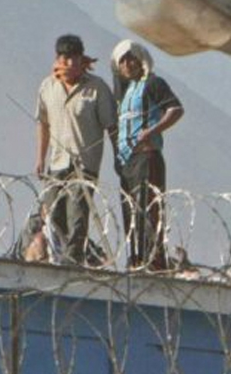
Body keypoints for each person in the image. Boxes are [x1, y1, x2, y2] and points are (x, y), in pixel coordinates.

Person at [35, 33, 117, 266]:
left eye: (75, 58)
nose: (70, 64)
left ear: (82, 60)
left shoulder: (96, 88)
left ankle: (72, 261)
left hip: (85, 163)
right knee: (53, 214)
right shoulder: (48, 87)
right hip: (57, 162)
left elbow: (111, 126)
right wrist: (40, 158)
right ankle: (55, 258)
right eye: (65, 57)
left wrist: (118, 157)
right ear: (58, 59)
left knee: (77, 215)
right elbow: (43, 124)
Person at [111, 40, 183, 270]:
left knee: (148, 211)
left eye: (131, 58)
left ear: (141, 59)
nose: (127, 64)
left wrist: (152, 131)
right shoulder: (124, 92)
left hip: (146, 156)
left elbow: (176, 109)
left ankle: (154, 261)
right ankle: (135, 261)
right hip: (126, 161)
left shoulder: (152, 83)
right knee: (130, 212)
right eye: (122, 60)